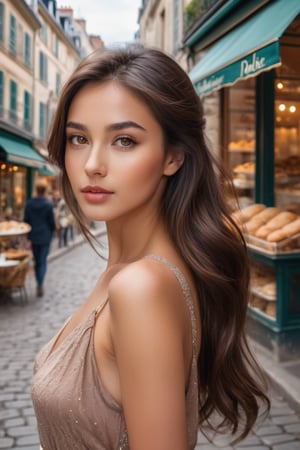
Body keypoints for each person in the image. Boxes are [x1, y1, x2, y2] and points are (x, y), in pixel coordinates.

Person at [31, 46, 270, 450]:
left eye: (124, 140)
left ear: (173, 156)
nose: (92, 163)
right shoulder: (132, 272)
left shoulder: (141, 287)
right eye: (78, 138)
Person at [24, 179, 55, 297]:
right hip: (45, 236)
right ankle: (40, 284)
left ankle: (39, 282)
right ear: (45, 190)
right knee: (42, 261)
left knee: (37, 261)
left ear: (36, 190)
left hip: (33, 236)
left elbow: (26, 221)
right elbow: (51, 222)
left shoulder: (29, 204)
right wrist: (52, 231)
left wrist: (28, 236)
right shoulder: (48, 205)